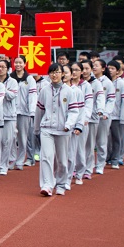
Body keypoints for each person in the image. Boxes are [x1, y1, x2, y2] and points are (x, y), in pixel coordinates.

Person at [34, 63, 80, 196]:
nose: (54, 75)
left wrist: (69, 124)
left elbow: (74, 111)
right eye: (52, 72)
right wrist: (37, 128)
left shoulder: (69, 91)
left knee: (62, 160)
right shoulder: (44, 90)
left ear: (62, 74)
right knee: (46, 157)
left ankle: (61, 183)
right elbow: (39, 110)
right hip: (47, 128)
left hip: (63, 130)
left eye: (57, 72)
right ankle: (47, 184)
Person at [11, 56, 37, 170]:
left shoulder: (29, 79)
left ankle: (20, 160)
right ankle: (11, 159)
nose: (18, 65)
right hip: (11, 112)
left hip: (24, 112)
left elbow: (32, 95)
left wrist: (32, 111)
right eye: (16, 62)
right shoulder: (10, 78)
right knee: (11, 137)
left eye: (20, 62)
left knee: (22, 137)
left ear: (24, 64)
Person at [68, 61, 91, 186]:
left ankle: (80, 173)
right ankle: (71, 171)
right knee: (69, 151)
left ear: (81, 72)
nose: (74, 72)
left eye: (77, 70)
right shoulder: (67, 86)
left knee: (80, 149)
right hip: (69, 122)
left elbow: (87, 104)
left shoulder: (85, 86)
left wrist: (84, 119)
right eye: (73, 70)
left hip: (81, 122)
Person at [81, 60, 104, 180]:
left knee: (89, 145)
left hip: (92, 118)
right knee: (78, 145)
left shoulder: (96, 83)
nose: (84, 71)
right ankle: (77, 167)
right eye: (82, 69)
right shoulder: (77, 83)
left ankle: (88, 169)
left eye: (87, 69)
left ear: (91, 69)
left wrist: (100, 109)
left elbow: (100, 97)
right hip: (79, 119)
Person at [106, 60, 124, 169]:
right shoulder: (105, 82)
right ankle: (107, 158)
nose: (110, 71)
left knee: (117, 138)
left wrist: (123, 117)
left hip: (116, 116)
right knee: (106, 139)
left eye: (113, 69)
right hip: (106, 116)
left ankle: (116, 159)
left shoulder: (121, 84)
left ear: (118, 71)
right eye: (109, 68)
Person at [93, 58, 115, 175]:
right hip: (91, 116)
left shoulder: (107, 83)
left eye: (96, 65)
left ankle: (100, 164)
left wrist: (106, 113)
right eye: (93, 65)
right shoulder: (89, 81)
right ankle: (89, 163)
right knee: (89, 142)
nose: (94, 67)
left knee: (101, 141)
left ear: (103, 68)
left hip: (103, 117)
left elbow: (111, 100)